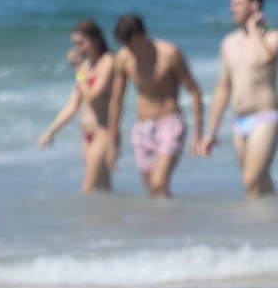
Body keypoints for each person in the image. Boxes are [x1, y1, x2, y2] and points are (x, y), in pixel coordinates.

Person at [106, 14, 204, 198]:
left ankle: (170, 222)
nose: (128, 47)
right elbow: (116, 100)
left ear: (143, 33)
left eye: (131, 41)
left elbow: (195, 91)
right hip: (142, 127)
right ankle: (166, 225)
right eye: (124, 43)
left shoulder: (169, 54)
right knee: (152, 189)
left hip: (170, 123)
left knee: (159, 183)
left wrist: (198, 134)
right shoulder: (123, 59)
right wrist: (112, 141)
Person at [200, 0, 278, 197]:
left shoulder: (274, 36)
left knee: (250, 180)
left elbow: (265, 59)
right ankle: (273, 225)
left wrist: (255, 29)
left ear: (254, 5)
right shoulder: (229, 42)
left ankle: (254, 228)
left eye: (237, 4)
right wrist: (211, 132)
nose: (232, 8)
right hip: (239, 121)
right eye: (231, 4)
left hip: (265, 117)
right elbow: (223, 88)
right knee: (260, 180)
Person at [38, 20, 114, 193]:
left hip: (103, 133)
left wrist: (79, 70)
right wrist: (51, 131)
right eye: (75, 44)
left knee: (88, 190)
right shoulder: (86, 66)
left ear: (96, 39)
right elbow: (72, 106)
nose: (78, 48)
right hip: (86, 135)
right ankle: (110, 220)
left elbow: (93, 98)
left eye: (82, 43)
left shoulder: (108, 62)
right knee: (102, 191)